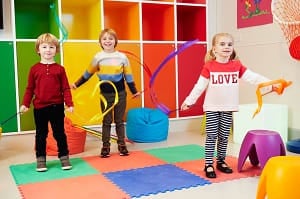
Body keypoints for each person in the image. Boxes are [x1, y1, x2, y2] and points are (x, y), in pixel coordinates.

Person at [181, 32, 274, 178]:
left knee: (224, 136)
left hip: (228, 108)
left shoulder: (236, 66)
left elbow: (252, 77)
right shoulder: (209, 66)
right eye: (222, 44)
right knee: (212, 135)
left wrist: (270, 83)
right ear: (214, 49)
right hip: (212, 108)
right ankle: (208, 164)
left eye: (230, 44)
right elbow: (199, 86)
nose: (226, 47)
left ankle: (221, 161)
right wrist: (189, 101)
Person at [71, 28, 140, 158]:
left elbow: (128, 76)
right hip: (105, 95)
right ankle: (105, 146)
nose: (107, 41)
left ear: (115, 41)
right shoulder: (98, 57)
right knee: (106, 121)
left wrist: (134, 91)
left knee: (119, 121)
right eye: (104, 39)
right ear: (100, 42)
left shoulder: (122, 57)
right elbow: (88, 73)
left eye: (110, 38)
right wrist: (76, 84)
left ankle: (121, 145)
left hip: (120, 93)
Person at [20, 33, 74, 172]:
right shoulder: (34, 69)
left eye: (51, 47)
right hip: (40, 108)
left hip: (56, 107)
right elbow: (30, 88)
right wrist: (25, 104)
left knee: (59, 133)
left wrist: (69, 103)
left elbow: (65, 88)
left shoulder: (60, 69)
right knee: (41, 134)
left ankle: (64, 157)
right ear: (38, 50)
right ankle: (41, 160)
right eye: (44, 47)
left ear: (56, 50)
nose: (48, 50)